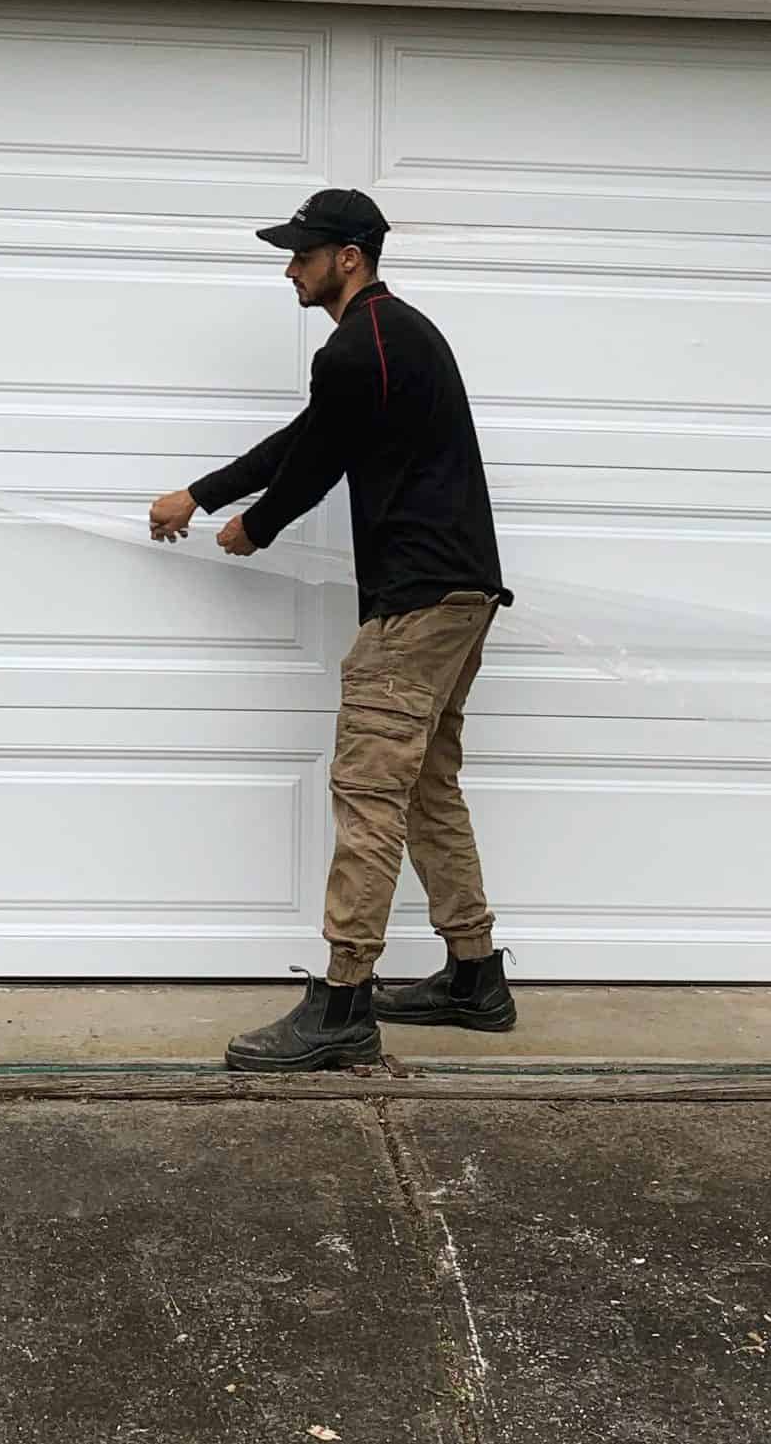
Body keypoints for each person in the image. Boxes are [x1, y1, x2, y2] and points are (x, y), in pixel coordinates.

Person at [150, 188, 517, 1072]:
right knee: (427, 786)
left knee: (368, 793)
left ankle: (344, 1002)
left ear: (348, 256)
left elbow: (311, 466)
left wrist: (254, 526)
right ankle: (475, 977)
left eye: (302, 253)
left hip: (417, 607)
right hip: (458, 597)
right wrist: (202, 495)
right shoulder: (398, 335)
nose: (290, 267)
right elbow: (307, 438)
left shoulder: (361, 347)